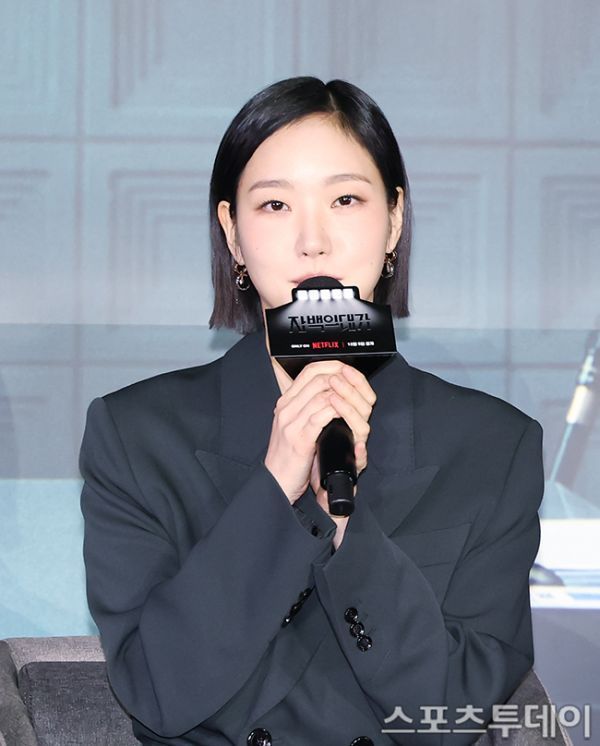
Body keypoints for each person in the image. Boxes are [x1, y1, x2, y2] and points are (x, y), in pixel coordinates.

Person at [79, 77, 545, 746]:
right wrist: (275, 490)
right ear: (232, 234)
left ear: (395, 219)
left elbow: (451, 714)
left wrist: (346, 528)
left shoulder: (494, 446)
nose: (313, 241)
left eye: (345, 199)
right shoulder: (135, 437)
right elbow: (157, 692)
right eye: (275, 204)